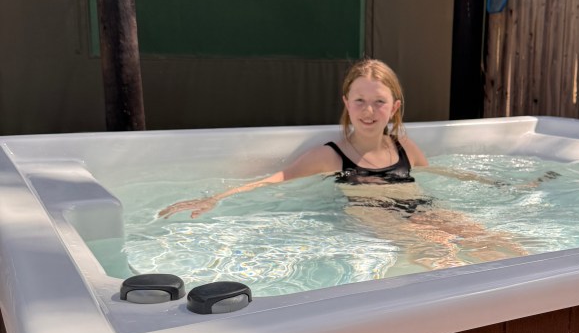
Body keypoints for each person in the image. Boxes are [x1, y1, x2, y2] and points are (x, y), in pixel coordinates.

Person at [159, 59, 527, 269]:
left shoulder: (404, 145)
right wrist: (216, 198)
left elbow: (436, 173)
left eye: (379, 102)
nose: (369, 111)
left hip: (420, 205)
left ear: (394, 107)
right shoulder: (330, 154)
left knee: (496, 241)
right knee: (439, 248)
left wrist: (493, 184)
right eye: (360, 101)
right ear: (347, 103)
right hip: (370, 211)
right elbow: (275, 180)